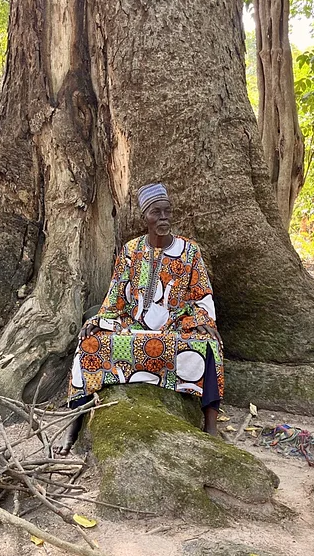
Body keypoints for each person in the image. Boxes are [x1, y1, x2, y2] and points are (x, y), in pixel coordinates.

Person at [56, 183, 224, 455]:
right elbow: (115, 298)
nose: (164, 218)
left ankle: (211, 426)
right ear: (144, 217)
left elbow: (202, 294)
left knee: (209, 346)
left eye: (168, 212)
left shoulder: (190, 252)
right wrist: (99, 321)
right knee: (88, 344)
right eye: (156, 213)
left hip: (174, 330)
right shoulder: (131, 251)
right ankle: (73, 425)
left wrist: (202, 318)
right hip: (133, 329)